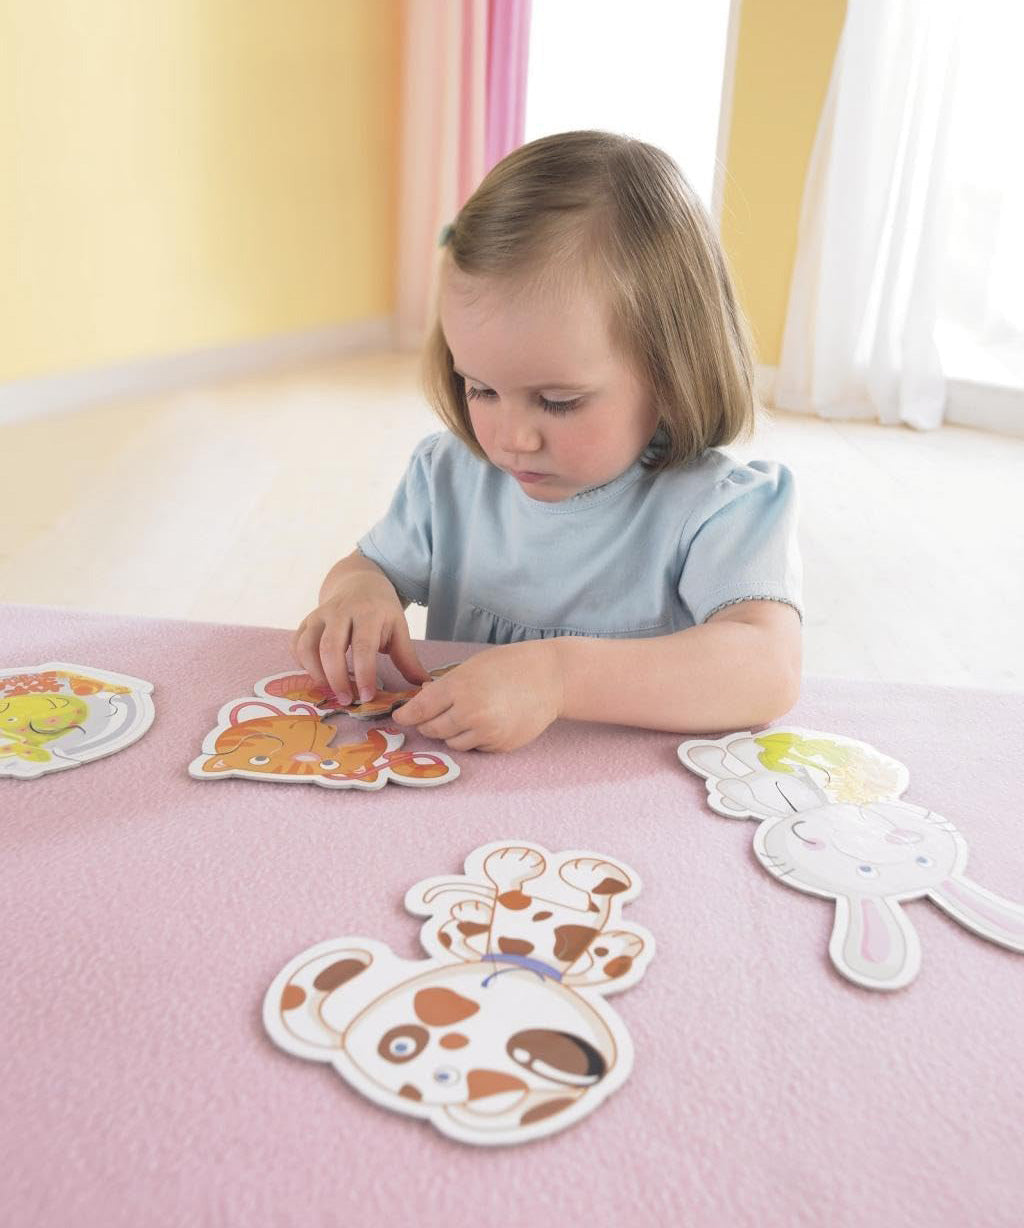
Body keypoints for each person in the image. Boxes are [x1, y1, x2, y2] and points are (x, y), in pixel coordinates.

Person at [293, 131, 802, 752]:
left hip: (625, 813)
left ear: (672, 372)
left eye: (558, 402)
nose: (512, 439)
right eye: (480, 389)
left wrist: (558, 678)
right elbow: (371, 565)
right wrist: (357, 594)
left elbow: (767, 668)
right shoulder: (450, 477)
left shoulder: (720, 507)